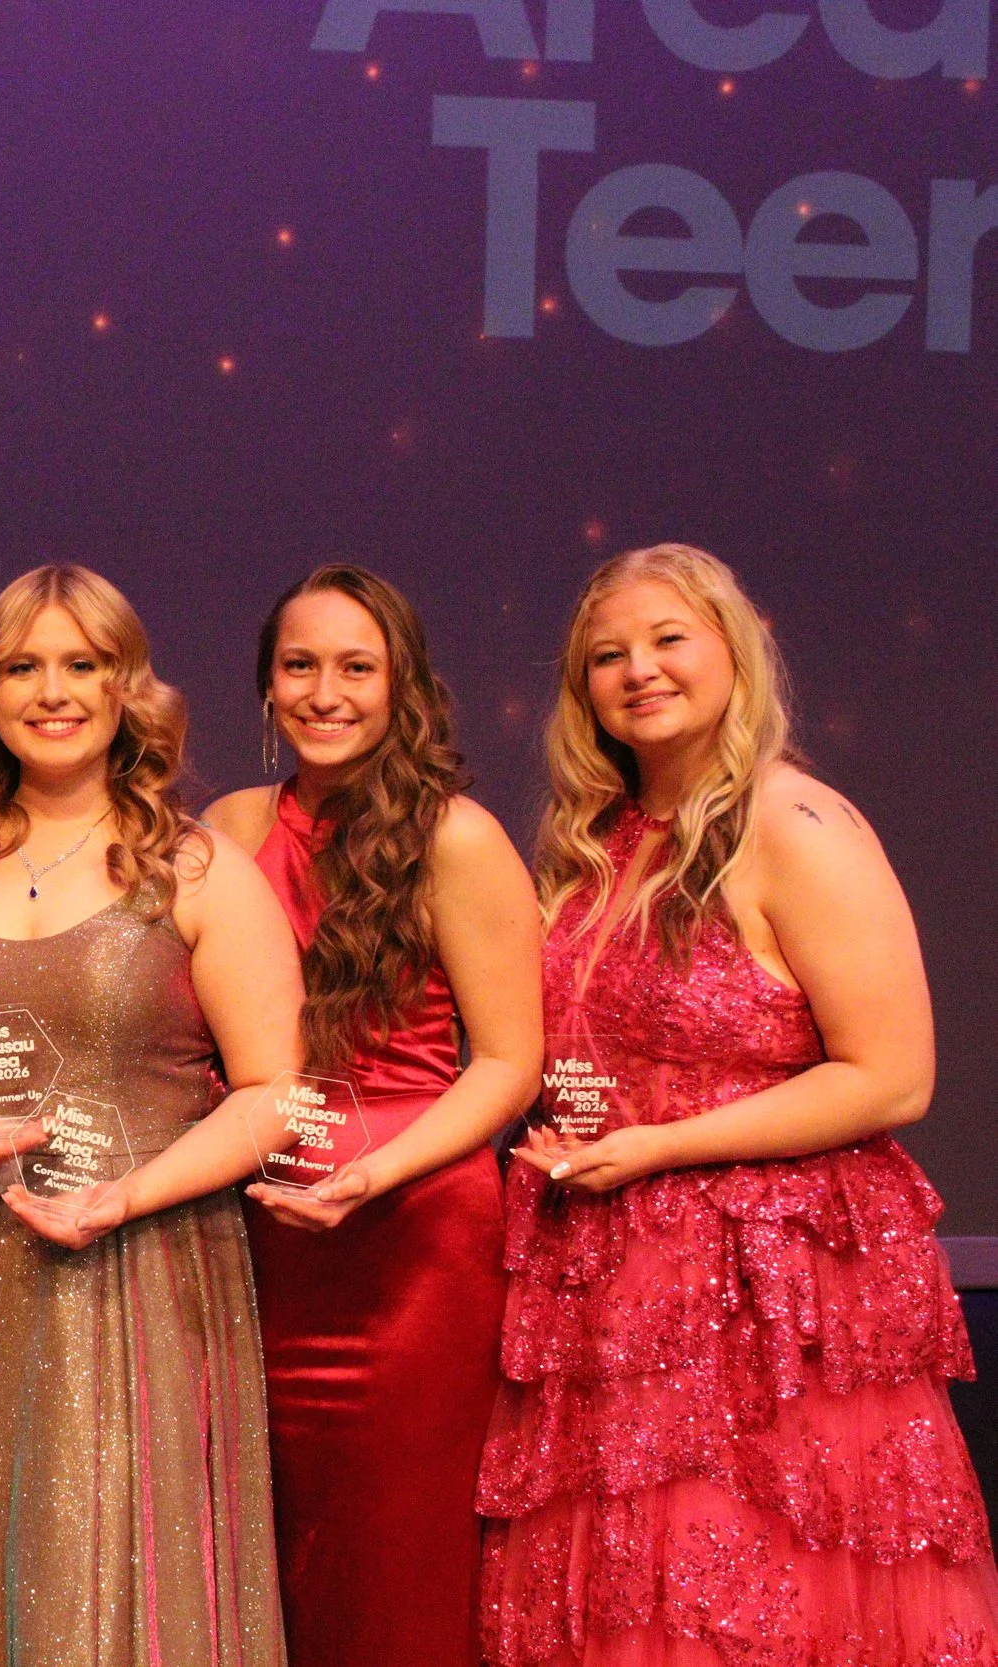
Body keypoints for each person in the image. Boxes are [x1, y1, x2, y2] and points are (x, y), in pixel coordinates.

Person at [481, 543, 998, 1665]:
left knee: (754, 1601)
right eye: (606, 655)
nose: (639, 671)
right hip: (608, 1289)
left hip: (772, 1310)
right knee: (635, 1609)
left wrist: (664, 1144)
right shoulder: (591, 845)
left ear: (733, 644)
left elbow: (891, 1074)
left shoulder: (794, 823)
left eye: (667, 639)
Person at [0, 563, 302, 1666]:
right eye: (19, 667)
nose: (52, 689)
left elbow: (277, 1091)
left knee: (128, 1568)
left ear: (128, 686)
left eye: (81, 663)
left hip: (142, 1270)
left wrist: (125, 1193)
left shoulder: (199, 869)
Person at [205, 564, 539, 1667]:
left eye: (356, 665)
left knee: (401, 1550)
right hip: (255, 1243)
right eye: (299, 664)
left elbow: (506, 1065)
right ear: (265, 686)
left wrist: (372, 1172)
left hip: (414, 1249)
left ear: (403, 686)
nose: (324, 690)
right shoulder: (227, 827)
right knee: (271, 1542)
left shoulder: (459, 837)